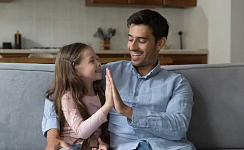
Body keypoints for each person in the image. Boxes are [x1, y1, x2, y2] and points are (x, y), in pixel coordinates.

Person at [42, 9, 195, 150]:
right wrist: (52, 137)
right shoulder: (108, 73)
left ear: (160, 43)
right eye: (130, 39)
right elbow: (61, 90)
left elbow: (178, 128)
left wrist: (127, 111)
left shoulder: (177, 83)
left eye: (141, 40)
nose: (132, 47)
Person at [43, 42, 113, 150]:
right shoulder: (67, 97)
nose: (99, 63)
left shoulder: (100, 94)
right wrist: (107, 106)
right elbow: (81, 132)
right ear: (76, 70)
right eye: (92, 61)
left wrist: (104, 145)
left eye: (97, 59)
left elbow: (101, 131)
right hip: (70, 147)